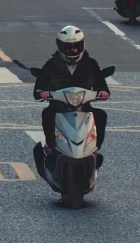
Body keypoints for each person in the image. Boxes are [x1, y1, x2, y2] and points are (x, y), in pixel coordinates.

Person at [33, 23, 111, 160]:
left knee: (101, 115)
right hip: (59, 107)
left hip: (84, 107)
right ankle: (51, 149)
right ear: (60, 46)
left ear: (82, 45)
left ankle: (95, 150)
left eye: (76, 46)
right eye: (68, 48)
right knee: (47, 114)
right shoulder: (51, 64)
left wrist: (103, 92)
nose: (73, 50)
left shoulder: (91, 63)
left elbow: (101, 84)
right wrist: (42, 92)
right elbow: (40, 85)